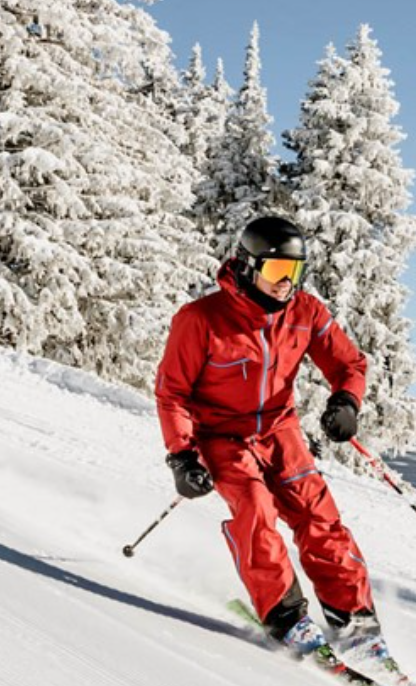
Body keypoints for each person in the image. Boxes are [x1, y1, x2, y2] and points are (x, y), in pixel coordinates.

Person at [155, 214, 379, 655]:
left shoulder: (306, 312)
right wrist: (182, 457)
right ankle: (286, 615)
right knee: (256, 510)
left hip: (280, 431)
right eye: (277, 272)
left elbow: (349, 364)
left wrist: (346, 401)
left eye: (294, 273)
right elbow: (172, 394)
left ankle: (350, 614)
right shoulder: (201, 319)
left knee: (320, 519)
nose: (285, 284)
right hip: (221, 435)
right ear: (247, 266)